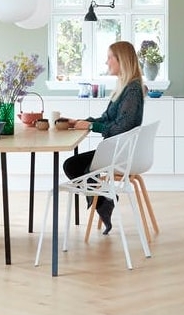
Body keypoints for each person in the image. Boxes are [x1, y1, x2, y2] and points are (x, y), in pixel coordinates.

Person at [62, 41, 145, 235]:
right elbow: (108, 119)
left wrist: (91, 126)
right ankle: (105, 201)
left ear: (121, 60)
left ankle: (105, 202)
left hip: (120, 155)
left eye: (110, 57)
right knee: (73, 165)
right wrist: (81, 121)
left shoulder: (132, 90)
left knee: (72, 166)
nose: (107, 62)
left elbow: (120, 128)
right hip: (115, 151)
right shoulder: (124, 87)